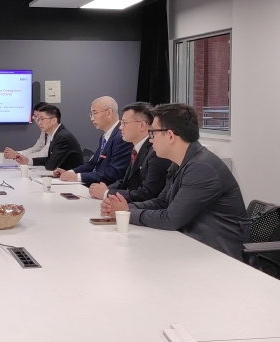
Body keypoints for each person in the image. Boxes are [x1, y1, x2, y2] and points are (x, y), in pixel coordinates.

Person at [100, 103, 250, 260]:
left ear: (170, 136)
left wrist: (126, 212)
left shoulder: (201, 169)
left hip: (220, 254)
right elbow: (162, 202)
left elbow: (171, 219)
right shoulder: (181, 162)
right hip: (194, 245)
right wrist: (125, 208)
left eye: (153, 133)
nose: (151, 140)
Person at [89, 102, 170, 202]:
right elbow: (125, 181)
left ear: (142, 125)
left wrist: (106, 193)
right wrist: (104, 189)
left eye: (124, 123)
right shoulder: (137, 148)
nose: (120, 127)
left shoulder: (156, 152)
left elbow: (148, 193)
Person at [55, 96, 132, 186]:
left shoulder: (122, 137)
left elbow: (113, 173)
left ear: (109, 113)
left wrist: (77, 177)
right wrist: (70, 172)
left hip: (108, 188)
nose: (92, 118)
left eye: (95, 113)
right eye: (91, 114)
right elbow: (93, 164)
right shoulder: (105, 136)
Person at [14, 104, 83, 171]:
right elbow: (50, 159)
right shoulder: (57, 134)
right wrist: (28, 161)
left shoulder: (62, 137)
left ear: (54, 120)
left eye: (42, 119)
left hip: (72, 176)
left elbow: (51, 166)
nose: (39, 123)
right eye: (38, 119)